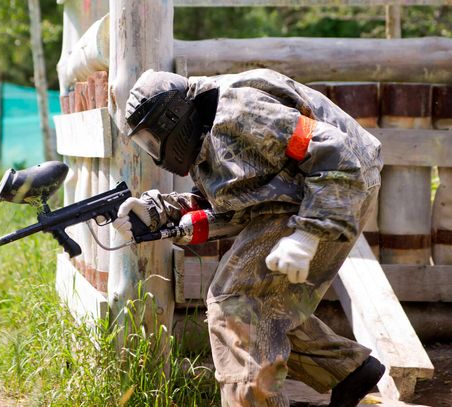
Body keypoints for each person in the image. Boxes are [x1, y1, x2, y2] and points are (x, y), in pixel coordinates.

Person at [113, 68, 385, 407]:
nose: (155, 152)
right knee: (267, 306)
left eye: (152, 140)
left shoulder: (239, 110)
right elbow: (228, 202)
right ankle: (349, 370)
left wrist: (308, 233)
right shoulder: (203, 134)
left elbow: (336, 152)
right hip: (300, 193)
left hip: (336, 185)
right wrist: (157, 212)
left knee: (235, 302)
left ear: (172, 118)